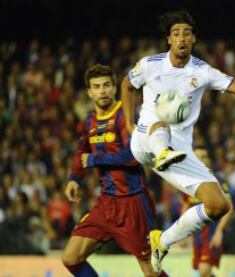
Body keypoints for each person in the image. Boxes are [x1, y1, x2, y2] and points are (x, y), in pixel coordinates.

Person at [121, 9, 235, 273]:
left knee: (219, 204)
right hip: (146, 140)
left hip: (179, 150)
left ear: (194, 38)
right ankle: (162, 151)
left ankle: (163, 241)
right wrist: (128, 123)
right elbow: (127, 85)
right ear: (168, 40)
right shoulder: (150, 64)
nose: (181, 38)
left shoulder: (203, 72)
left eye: (186, 33)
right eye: (175, 33)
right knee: (161, 122)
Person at [62, 64, 167, 277]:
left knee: (151, 271)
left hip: (133, 203)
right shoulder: (90, 121)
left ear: (114, 88)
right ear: (89, 92)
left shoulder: (125, 116)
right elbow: (81, 150)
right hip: (106, 204)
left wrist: (94, 159)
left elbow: (133, 155)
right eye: (97, 87)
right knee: (71, 258)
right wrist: (74, 178)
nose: (102, 91)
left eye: (107, 85)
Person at [181, 147, 233, 277]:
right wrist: (182, 232)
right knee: (202, 271)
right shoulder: (187, 182)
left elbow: (229, 207)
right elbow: (185, 207)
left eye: (203, 156)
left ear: (209, 160)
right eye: (196, 157)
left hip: (211, 233)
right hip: (197, 235)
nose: (200, 160)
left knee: (204, 271)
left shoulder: (218, 181)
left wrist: (219, 231)